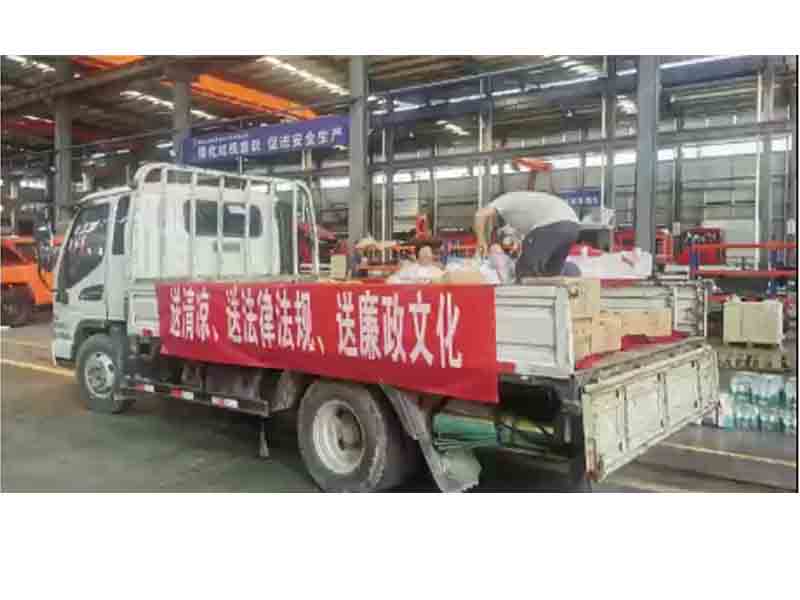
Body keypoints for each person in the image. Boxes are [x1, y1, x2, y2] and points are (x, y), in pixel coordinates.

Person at [474, 190, 579, 279]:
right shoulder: (521, 209)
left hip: (552, 224)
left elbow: (480, 215)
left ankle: (525, 296)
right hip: (573, 225)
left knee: (525, 272)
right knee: (550, 274)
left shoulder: (503, 200)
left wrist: (481, 240)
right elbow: (527, 241)